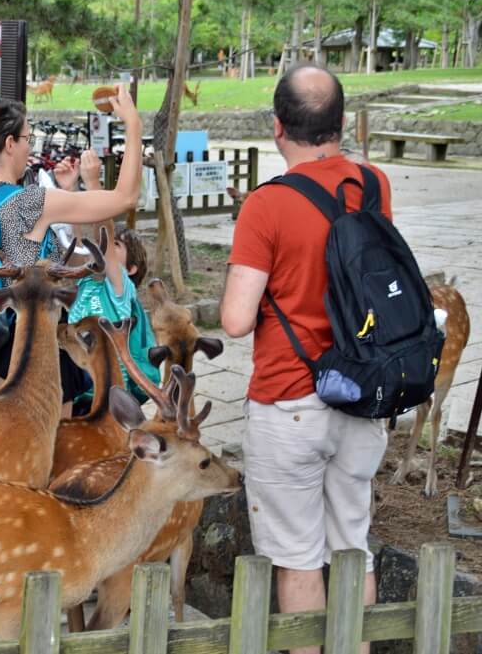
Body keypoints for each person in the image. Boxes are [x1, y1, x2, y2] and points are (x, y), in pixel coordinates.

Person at [220, 65, 392, 654]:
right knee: (352, 547)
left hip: (291, 399)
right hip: (364, 392)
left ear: (277, 128)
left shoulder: (267, 205)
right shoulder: (373, 186)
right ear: (341, 124)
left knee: (297, 559)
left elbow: (236, 320)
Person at [0, 84, 143, 417]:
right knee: (51, 460)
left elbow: (49, 264)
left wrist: (71, 189)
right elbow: (126, 198)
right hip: (32, 356)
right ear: (9, 144)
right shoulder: (28, 202)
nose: (30, 148)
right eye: (28, 139)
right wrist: (133, 125)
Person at [60, 149, 161, 411]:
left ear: (131, 269)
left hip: (110, 397)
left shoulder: (120, 290)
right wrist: (70, 190)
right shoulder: (87, 282)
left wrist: (94, 184)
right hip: (81, 391)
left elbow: (103, 230)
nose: (104, 245)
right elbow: (77, 243)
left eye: (116, 245)